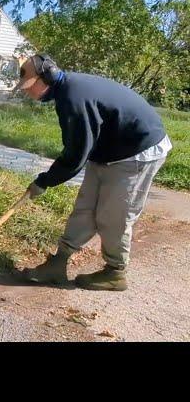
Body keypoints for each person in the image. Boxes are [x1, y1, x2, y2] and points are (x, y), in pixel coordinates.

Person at [16, 55, 172, 291]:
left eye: (29, 87)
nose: (28, 93)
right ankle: (58, 264)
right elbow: (82, 144)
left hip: (138, 149)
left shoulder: (72, 97)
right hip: (107, 150)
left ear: (44, 78)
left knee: (114, 214)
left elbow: (75, 155)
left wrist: (44, 181)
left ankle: (115, 272)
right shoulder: (66, 90)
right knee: (85, 206)